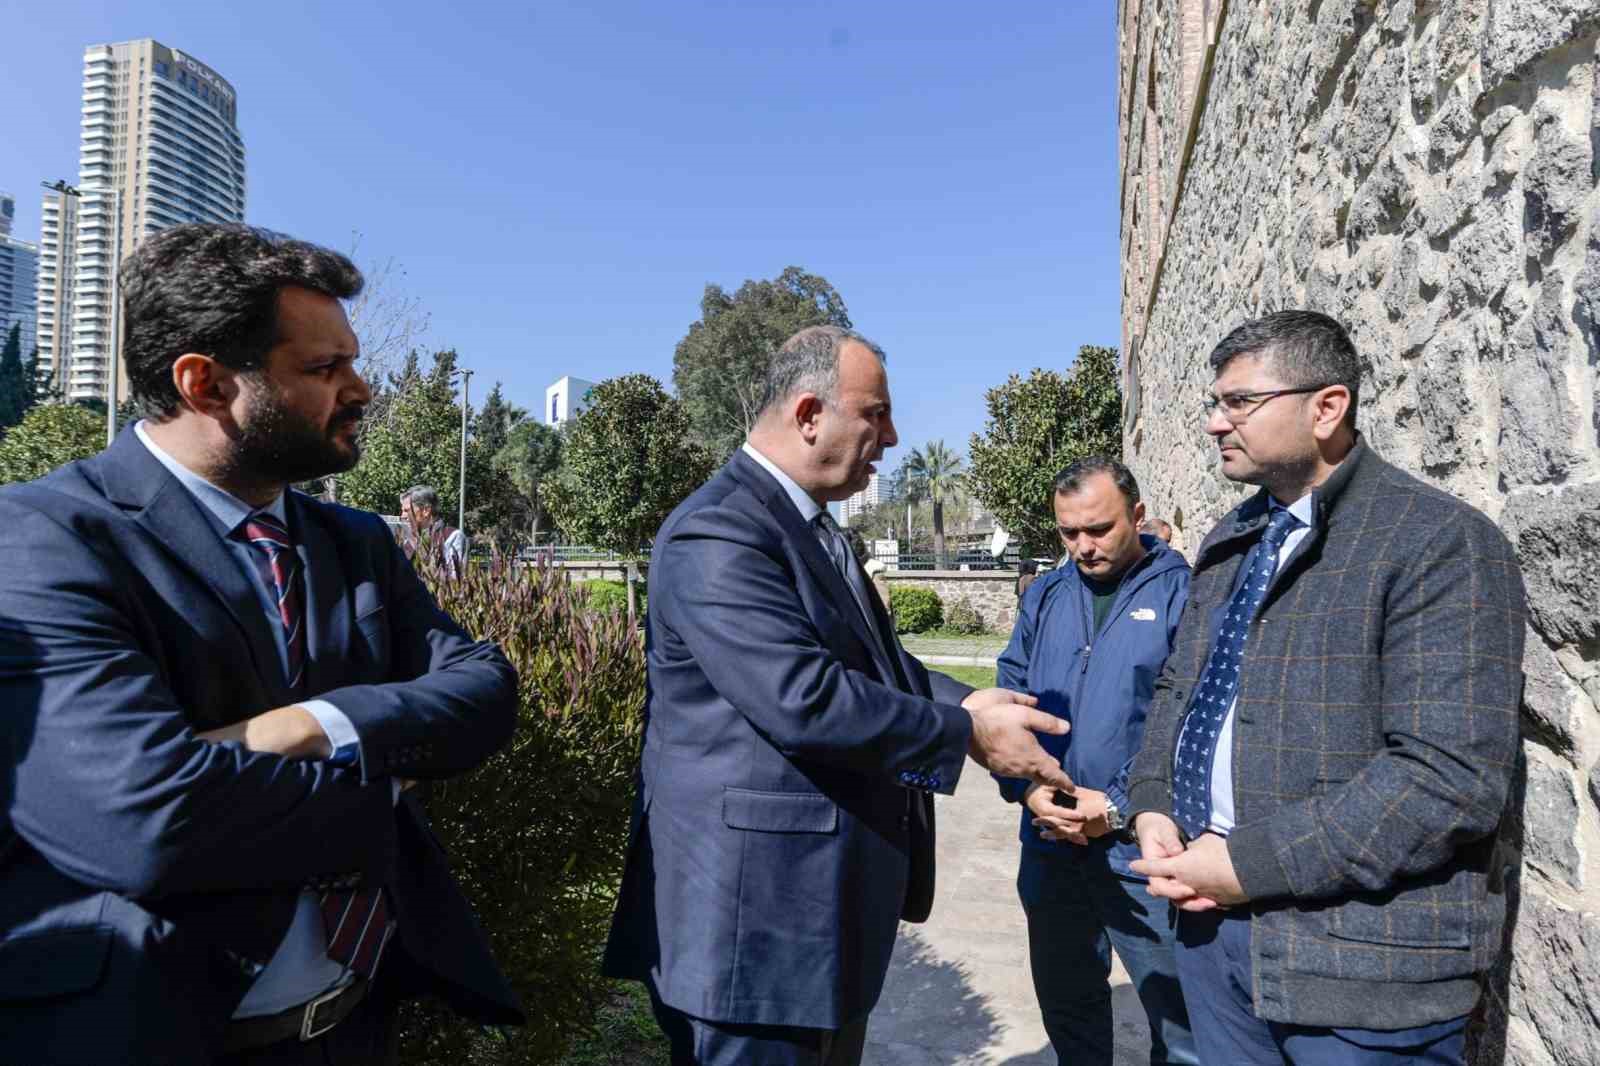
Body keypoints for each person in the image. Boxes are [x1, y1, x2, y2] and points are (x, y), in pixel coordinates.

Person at [0, 223, 522, 1064]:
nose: (361, 388)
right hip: (143, 1031)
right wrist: (384, 786)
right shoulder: (42, 536)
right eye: (324, 368)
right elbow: (144, 819)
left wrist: (314, 727)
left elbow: (484, 691)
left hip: (350, 1022)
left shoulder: (353, 542)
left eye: (351, 361)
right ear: (204, 383)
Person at [603, 325, 1074, 1066]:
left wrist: (969, 703)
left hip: (816, 923)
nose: (890, 435)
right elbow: (804, 697)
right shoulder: (719, 532)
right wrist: (963, 737)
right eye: (876, 413)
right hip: (753, 934)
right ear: (809, 413)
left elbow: (875, 665)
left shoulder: (813, 528)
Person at [1125, 310, 1526, 1066]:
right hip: (1215, 946)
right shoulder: (1233, 539)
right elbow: (1181, 688)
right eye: (1215, 403)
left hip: (1361, 978)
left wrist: (1248, 866)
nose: (1215, 423)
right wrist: (1152, 803)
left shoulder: (1436, 542)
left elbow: (1447, 780)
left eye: (1239, 402)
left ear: (1328, 407)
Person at [994, 457, 1196, 1066]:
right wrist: (1026, 789)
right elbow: (1009, 697)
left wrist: (1116, 807)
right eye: (1068, 533)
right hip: (1050, 842)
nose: (1082, 546)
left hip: (1142, 851)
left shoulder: (1185, 594)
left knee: (1181, 1025)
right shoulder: (1048, 595)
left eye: (1099, 529)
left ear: (1137, 516)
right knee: (1068, 1010)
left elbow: (1192, 722)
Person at [399, 485, 467, 576]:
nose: (402, 516)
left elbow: (454, 579)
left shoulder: (452, 536)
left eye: (406, 510)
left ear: (426, 510)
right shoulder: (406, 540)